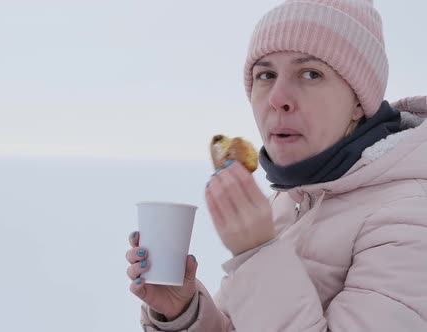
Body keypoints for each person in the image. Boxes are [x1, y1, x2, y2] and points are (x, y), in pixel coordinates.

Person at [125, 0, 427, 330]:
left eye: (311, 73)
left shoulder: (410, 216)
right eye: (266, 75)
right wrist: (183, 313)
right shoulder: (292, 200)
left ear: (359, 101)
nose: (277, 97)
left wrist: (256, 252)